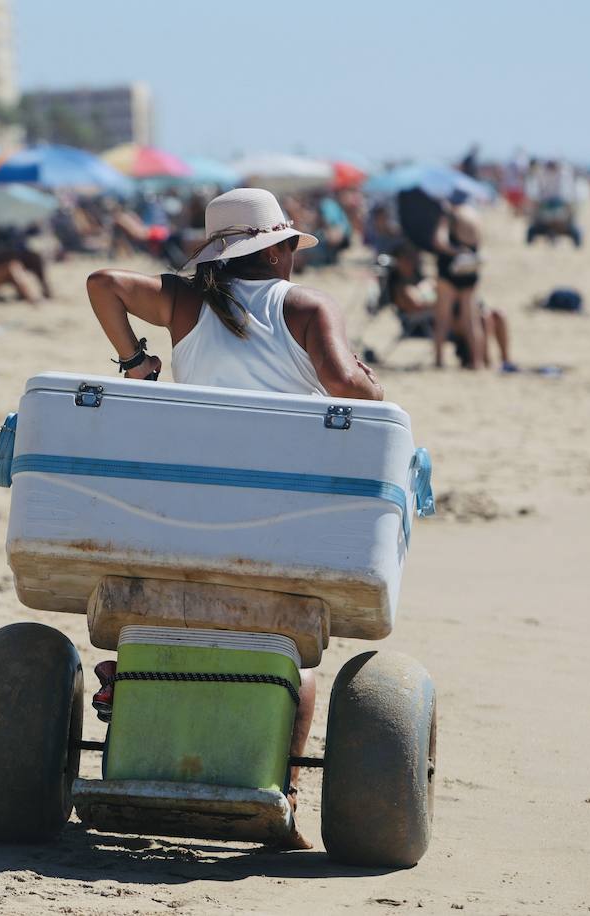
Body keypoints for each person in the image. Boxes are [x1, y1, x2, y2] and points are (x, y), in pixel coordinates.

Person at [85, 188, 382, 848]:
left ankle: (125, 683)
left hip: (178, 516)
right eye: (288, 246)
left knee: (169, 611)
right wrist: (372, 383)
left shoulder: (184, 300)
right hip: (275, 522)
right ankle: (288, 791)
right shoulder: (302, 305)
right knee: (295, 653)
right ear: (276, 249)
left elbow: (102, 282)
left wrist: (136, 362)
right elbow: (343, 384)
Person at [385, 243, 513, 369]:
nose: (412, 261)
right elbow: (416, 304)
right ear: (398, 261)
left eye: (413, 257)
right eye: (407, 258)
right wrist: (438, 297)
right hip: (425, 322)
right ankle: (485, 360)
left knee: (497, 315)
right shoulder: (400, 284)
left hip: (445, 315)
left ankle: (505, 360)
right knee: (482, 319)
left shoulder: (418, 279)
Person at [428, 194, 486, 369]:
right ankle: (478, 362)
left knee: (442, 317)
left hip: (451, 268)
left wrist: (456, 251)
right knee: (471, 320)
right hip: (470, 269)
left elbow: (440, 241)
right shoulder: (475, 215)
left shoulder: (449, 215)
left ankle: (439, 361)